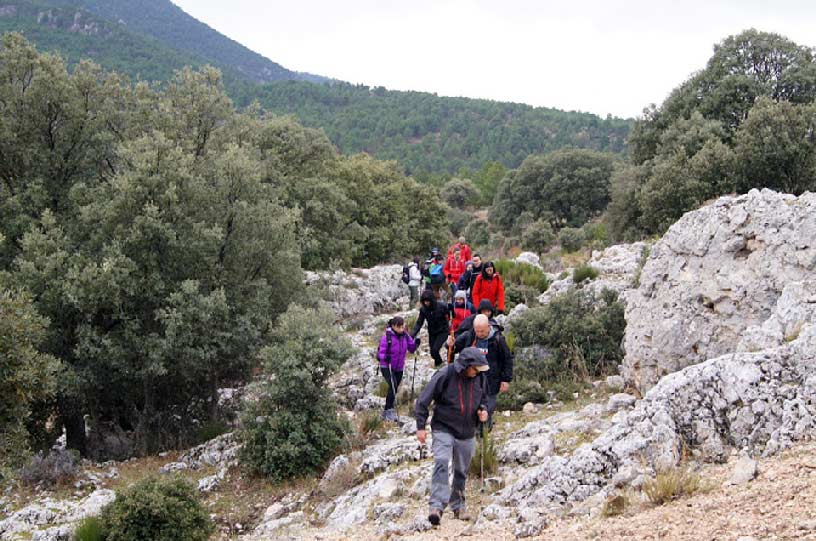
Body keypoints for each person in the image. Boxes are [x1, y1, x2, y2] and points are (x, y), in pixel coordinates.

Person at [415, 347, 490, 525]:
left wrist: (484, 411)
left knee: (461, 470)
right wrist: (420, 426)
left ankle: (458, 506)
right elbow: (423, 400)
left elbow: (485, 400)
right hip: (444, 427)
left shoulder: (480, 378)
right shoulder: (445, 374)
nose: (478, 372)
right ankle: (436, 506)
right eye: (476, 368)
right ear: (466, 365)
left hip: (467, 431)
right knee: (441, 461)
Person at [449, 314, 513, 418]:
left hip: (492, 381)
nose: (479, 334)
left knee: (488, 408)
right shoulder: (469, 336)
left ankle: (486, 428)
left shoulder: (498, 339)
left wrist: (505, 379)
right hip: (472, 379)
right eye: (477, 331)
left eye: (482, 331)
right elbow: (454, 348)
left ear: (488, 326)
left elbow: (507, 359)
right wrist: (450, 344)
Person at [377, 316, 419, 421]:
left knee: (394, 387)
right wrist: (385, 357)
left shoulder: (405, 336)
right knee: (393, 385)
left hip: (399, 367)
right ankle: (388, 410)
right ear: (393, 326)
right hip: (387, 366)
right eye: (399, 327)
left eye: (403, 327)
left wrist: (416, 344)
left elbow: (411, 349)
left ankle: (388, 409)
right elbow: (380, 354)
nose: (401, 329)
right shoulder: (387, 337)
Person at [411, 289, 451, 368]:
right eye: (425, 301)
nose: (426, 303)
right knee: (432, 353)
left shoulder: (442, 306)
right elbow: (419, 322)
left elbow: (449, 316)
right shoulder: (423, 310)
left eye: (428, 301)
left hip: (443, 331)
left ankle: (440, 366)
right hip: (432, 332)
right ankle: (439, 364)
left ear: (432, 300)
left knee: (435, 349)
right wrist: (413, 334)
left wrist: (449, 330)